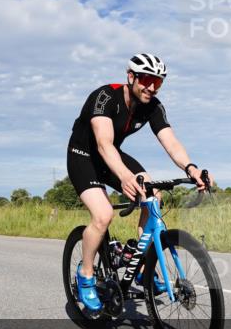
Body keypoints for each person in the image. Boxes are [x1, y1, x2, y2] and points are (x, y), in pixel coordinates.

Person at [66, 53, 210, 312]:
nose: (152, 87)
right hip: (84, 156)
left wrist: (191, 168)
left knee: (153, 192)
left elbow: (171, 142)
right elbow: (103, 143)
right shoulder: (105, 97)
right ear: (130, 77)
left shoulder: (153, 106)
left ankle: (143, 267)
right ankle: (86, 274)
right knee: (103, 215)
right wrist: (125, 177)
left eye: (158, 82)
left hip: (111, 156)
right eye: (146, 79)